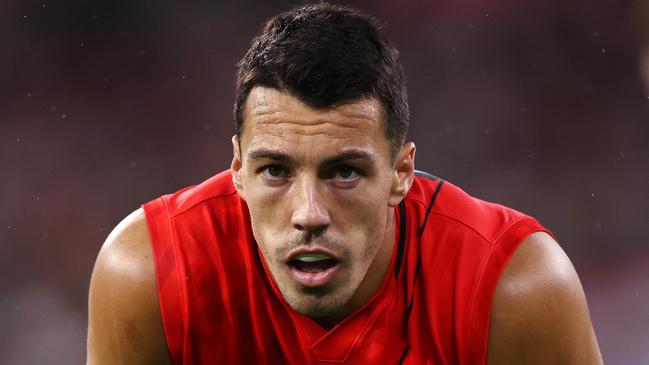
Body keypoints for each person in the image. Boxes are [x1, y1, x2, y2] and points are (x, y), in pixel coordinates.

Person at [87, 3, 603, 364]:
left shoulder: (513, 286)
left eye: (344, 172)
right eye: (275, 171)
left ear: (402, 173)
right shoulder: (150, 273)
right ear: (237, 169)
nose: (309, 212)